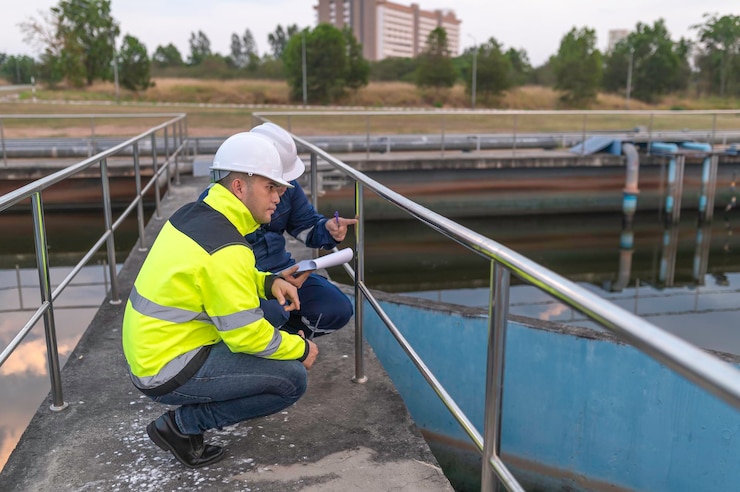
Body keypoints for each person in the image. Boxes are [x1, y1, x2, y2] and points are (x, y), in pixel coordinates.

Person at [122, 132, 318, 469]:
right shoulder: (228, 248)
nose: (280, 197)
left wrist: (268, 282)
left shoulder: (195, 215)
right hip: (167, 368)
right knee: (291, 379)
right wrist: (300, 349)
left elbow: (216, 280)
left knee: (271, 326)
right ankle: (181, 427)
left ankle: (185, 423)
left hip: (154, 352)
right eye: (271, 188)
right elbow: (245, 335)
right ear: (240, 187)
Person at [201, 122, 357, 339]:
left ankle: (284, 336)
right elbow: (217, 272)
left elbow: (306, 224)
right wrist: (268, 282)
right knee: (273, 312)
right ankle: (273, 341)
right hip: (245, 279)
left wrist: (328, 230)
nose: (279, 195)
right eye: (272, 187)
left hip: (284, 269)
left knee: (337, 308)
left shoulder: (288, 189)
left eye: (283, 185)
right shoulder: (214, 205)